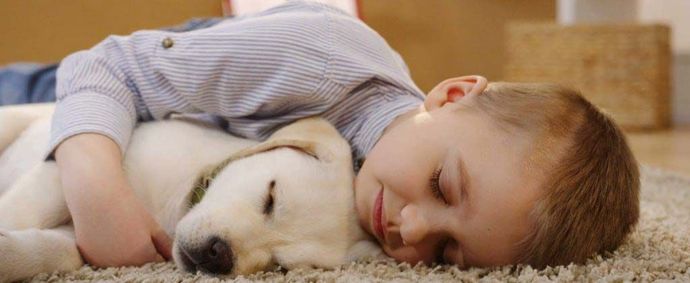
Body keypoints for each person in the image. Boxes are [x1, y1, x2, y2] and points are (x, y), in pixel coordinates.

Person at [42, 1, 639, 270]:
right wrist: (96, 188)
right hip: (45, 95)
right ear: (451, 97)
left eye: (446, 253)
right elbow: (104, 66)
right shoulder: (318, 59)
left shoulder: (380, 199)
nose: (412, 230)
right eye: (441, 185)